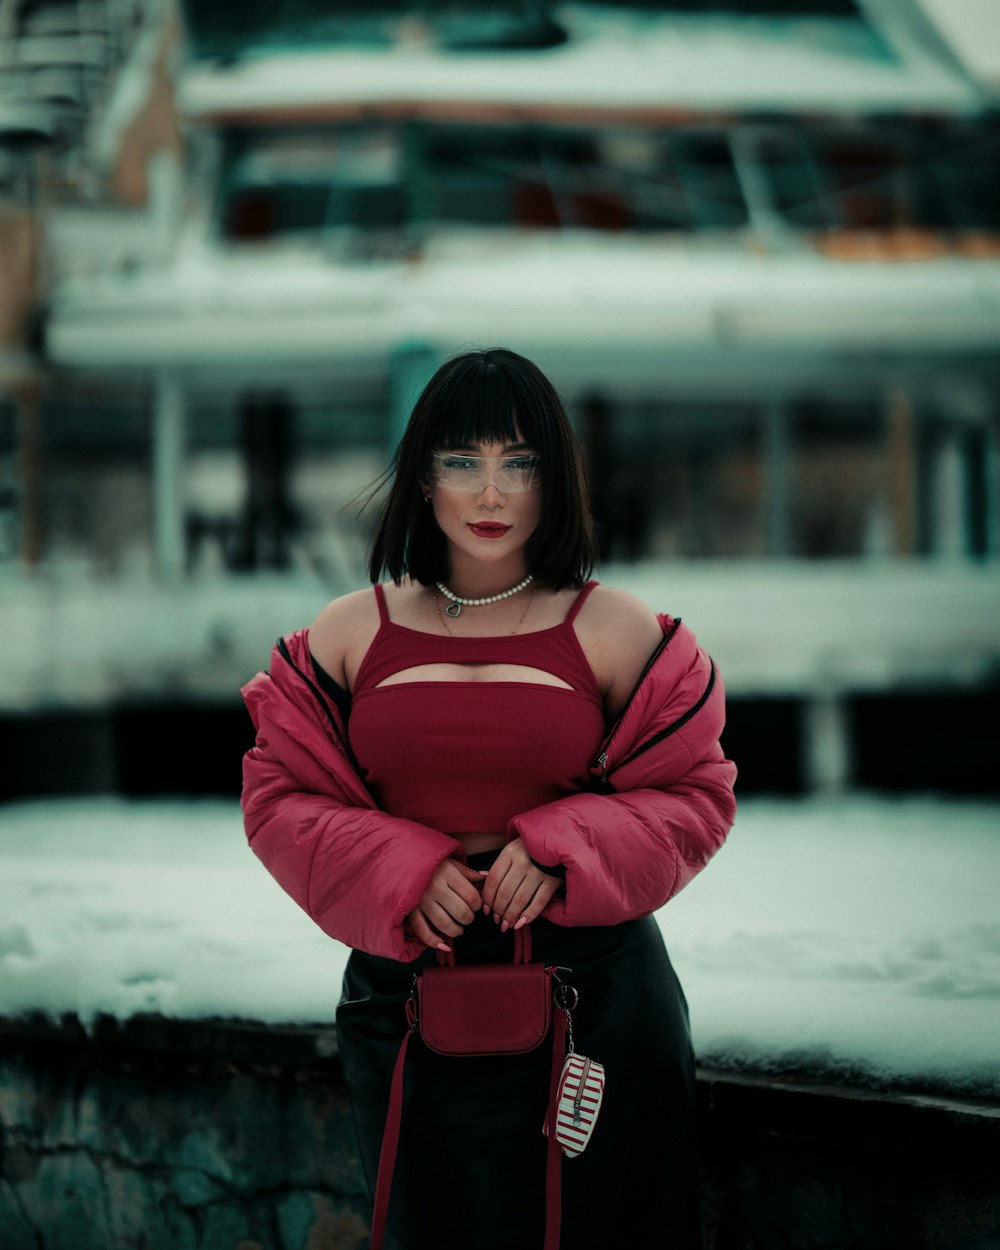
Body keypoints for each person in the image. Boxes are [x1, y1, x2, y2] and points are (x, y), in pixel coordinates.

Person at [240, 347, 737, 1250]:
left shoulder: (617, 629)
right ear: (423, 476)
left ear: (556, 477)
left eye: (521, 463)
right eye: (462, 462)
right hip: (407, 1006)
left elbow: (694, 794)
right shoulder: (352, 631)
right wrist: (400, 866)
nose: (492, 494)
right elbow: (279, 799)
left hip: (598, 1006)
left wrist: (566, 847)